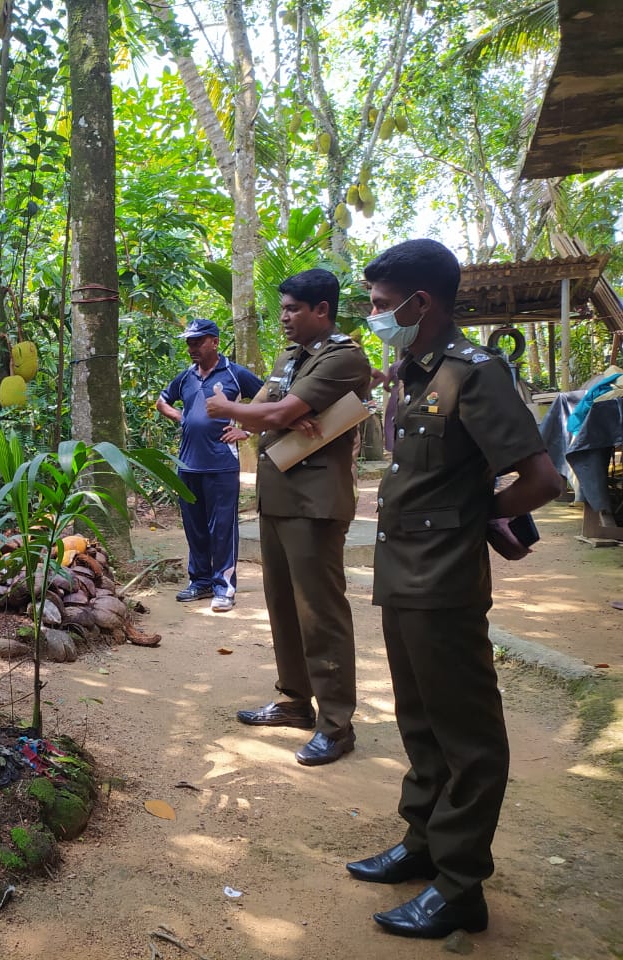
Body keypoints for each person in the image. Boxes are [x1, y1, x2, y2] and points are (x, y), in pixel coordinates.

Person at [346, 240, 561, 938]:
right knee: (419, 720)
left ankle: (461, 885)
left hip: (443, 582)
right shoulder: (412, 373)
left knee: (467, 734)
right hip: (401, 576)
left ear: (421, 303)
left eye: (380, 306)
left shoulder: (476, 373)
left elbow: (541, 479)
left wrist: (486, 516)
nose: (375, 317)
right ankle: (423, 844)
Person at [205, 268, 371, 766]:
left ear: (322, 309)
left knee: (321, 613)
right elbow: (262, 408)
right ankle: (296, 701)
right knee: (282, 605)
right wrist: (267, 412)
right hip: (278, 497)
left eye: (293, 309)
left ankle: (337, 724)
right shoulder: (290, 358)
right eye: (282, 309)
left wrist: (247, 410)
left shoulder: (344, 356)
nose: (284, 318)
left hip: (316, 504)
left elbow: (262, 413)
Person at [155, 317, 262, 612]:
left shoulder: (236, 374)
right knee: (195, 528)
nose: (192, 347)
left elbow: (269, 401)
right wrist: (182, 418)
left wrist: (247, 430)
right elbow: (162, 400)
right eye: (189, 342)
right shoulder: (185, 377)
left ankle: (224, 587)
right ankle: (200, 582)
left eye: (198, 341)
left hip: (221, 465)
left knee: (223, 528)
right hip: (187, 465)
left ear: (214, 342)